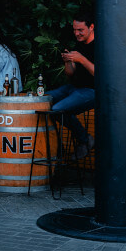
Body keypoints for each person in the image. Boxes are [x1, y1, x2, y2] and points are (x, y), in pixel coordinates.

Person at [49, 11, 96, 159]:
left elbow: (103, 75)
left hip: (92, 90)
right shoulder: (79, 44)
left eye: (80, 30)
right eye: (75, 30)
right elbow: (70, 73)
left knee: (56, 110)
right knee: (43, 99)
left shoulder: (101, 45)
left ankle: (85, 140)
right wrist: (68, 61)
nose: (77, 33)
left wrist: (81, 59)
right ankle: (56, 148)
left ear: (91, 27)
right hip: (74, 88)